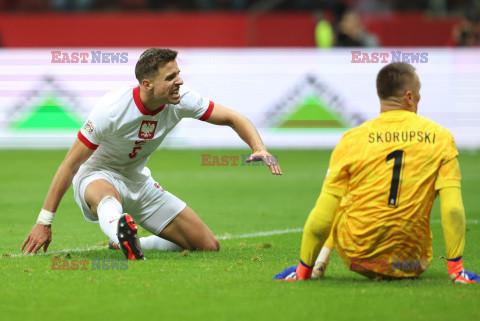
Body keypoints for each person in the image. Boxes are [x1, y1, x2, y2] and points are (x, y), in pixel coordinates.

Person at [21, 48, 282, 260]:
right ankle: (120, 234)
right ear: (147, 84)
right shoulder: (111, 109)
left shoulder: (181, 99)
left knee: (208, 246)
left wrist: (259, 148)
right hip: (96, 176)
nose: (179, 81)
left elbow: (233, 118)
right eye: (170, 78)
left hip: (139, 181)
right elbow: (70, 165)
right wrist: (45, 221)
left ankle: (135, 240)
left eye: (178, 74)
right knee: (105, 193)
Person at [275, 62, 479, 284]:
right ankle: (457, 273)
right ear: (409, 97)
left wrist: (301, 269)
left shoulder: (352, 140)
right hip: (412, 261)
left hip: (358, 256)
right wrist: (457, 269)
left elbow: (322, 217)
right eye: (419, 95)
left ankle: (313, 268)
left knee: (341, 195)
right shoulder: (441, 138)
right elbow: (453, 210)